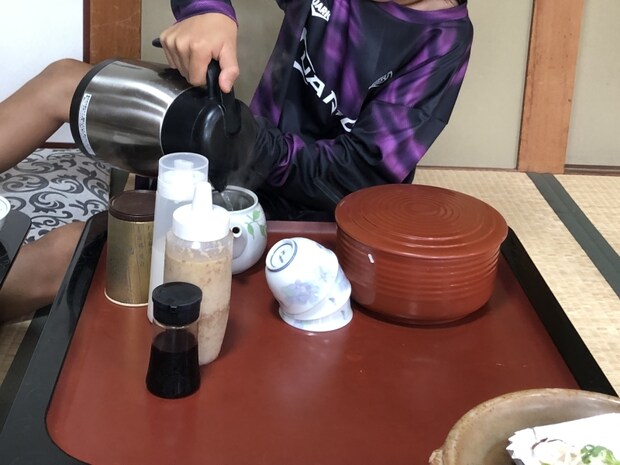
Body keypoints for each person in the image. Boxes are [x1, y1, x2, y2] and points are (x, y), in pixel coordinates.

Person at [0, 0, 472, 320]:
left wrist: (252, 145)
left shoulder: (441, 41)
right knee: (65, 82)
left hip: (299, 222)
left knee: (75, 251)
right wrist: (206, 11)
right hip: (239, 149)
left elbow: (357, 175)